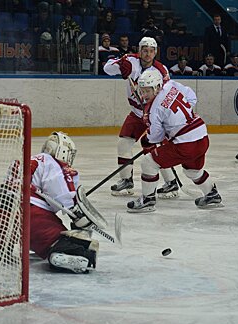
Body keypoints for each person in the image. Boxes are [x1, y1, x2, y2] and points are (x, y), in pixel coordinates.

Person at [126, 69, 222, 212]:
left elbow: (155, 138)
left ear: (157, 87)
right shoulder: (171, 85)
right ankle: (211, 194)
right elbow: (191, 97)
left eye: (147, 91)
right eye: (142, 91)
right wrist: (176, 122)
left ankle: (147, 200)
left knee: (148, 163)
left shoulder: (153, 110)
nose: (144, 95)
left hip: (185, 143)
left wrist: (150, 140)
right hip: (201, 136)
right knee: (193, 171)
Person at [103, 37, 171, 196]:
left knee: (155, 150)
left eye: (151, 51)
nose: (148, 54)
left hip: (153, 115)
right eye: (145, 50)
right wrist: (120, 66)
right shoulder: (130, 61)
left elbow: (167, 95)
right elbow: (107, 68)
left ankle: (171, 182)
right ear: (139, 51)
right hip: (136, 113)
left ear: (155, 53)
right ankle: (126, 180)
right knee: (123, 143)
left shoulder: (162, 71)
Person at [29, 131, 100, 273]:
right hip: (30, 214)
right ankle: (60, 254)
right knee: (66, 244)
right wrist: (77, 214)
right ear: (61, 151)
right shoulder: (51, 162)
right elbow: (61, 196)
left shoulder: (32, 159)